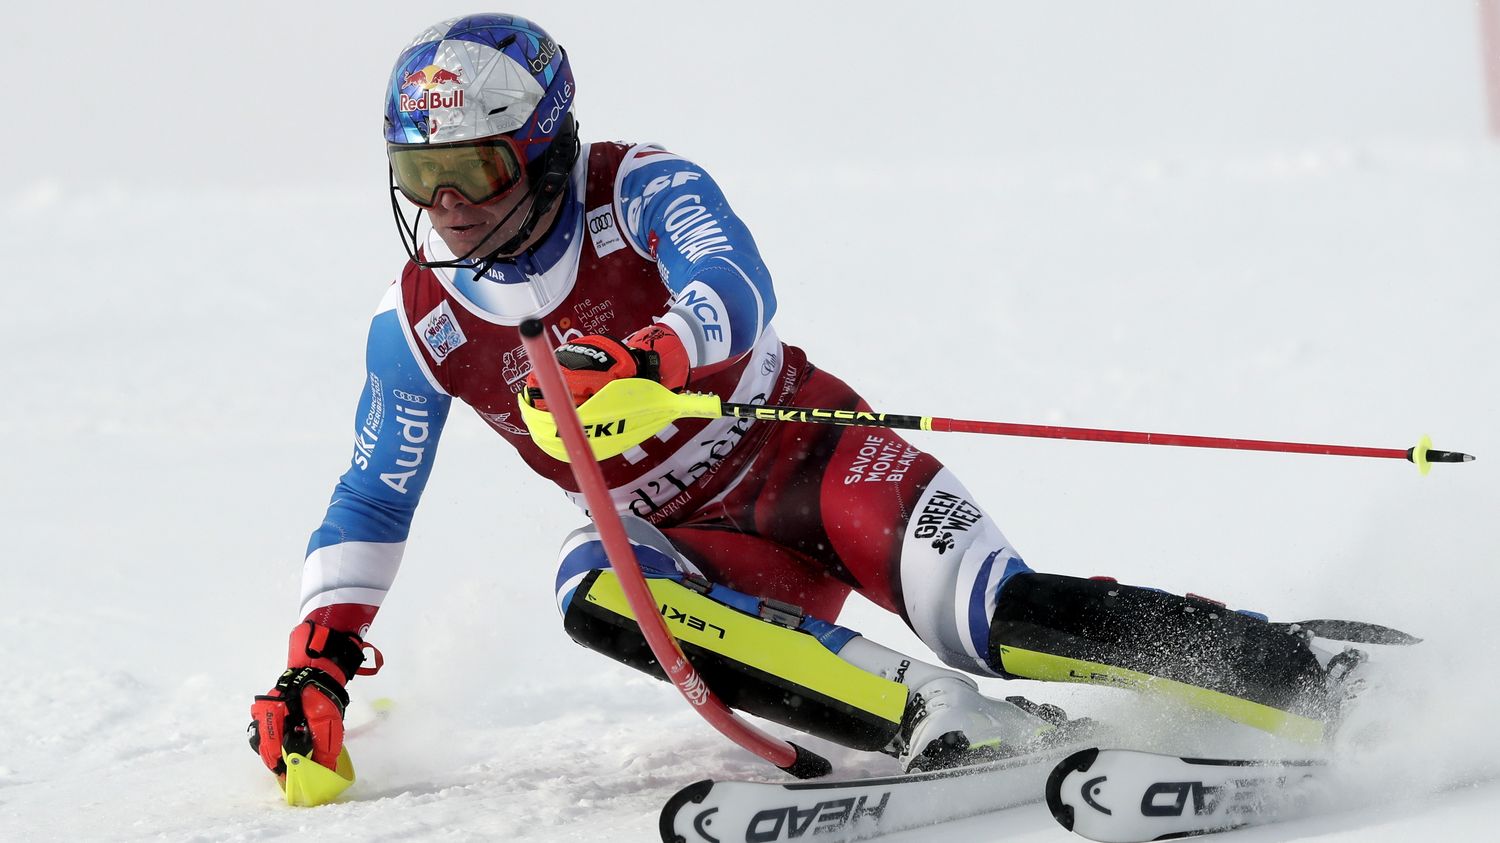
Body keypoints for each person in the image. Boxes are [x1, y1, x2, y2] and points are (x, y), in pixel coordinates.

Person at [249, 13, 1369, 791]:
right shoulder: (419, 329)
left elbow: (734, 281)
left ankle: (1305, 679)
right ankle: (936, 721)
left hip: (814, 463)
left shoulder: (635, 187)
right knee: (595, 583)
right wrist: (318, 663)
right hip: (704, 553)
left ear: (541, 153)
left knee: (992, 620)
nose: (446, 209)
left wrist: (655, 362)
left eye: (476, 173)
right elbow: (373, 496)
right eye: (417, 177)